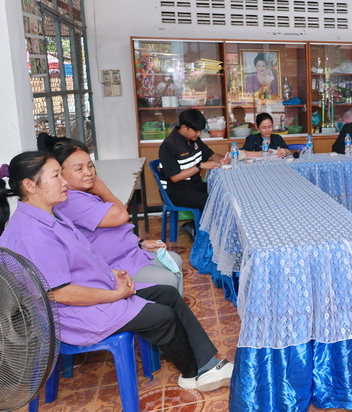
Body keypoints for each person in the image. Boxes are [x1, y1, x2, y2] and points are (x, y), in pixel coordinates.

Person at [0, 152, 233, 391]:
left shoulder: (48, 215)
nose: (63, 182)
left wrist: (112, 273)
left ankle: (206, 363)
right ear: (30, 186)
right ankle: (192, 374)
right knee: (163, 316)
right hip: (73, 313)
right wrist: (115, 295)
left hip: (92, 291)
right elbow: (59, 293)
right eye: (56, 176)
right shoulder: (33, 233)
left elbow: (82, 258)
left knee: (168, 294)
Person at [54, 143, 184, 295]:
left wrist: (140, 242)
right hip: (112, 265)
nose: (89, 173)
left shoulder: (84, 193)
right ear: (60, 174)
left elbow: (113, 232)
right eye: (79, 169)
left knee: (175, 260)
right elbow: (121, 216)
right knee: (168, 279)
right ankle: (167, 308)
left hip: (128, 254)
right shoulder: (70, 202)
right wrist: (103, 190)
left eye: (90, 166)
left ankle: (176, 308)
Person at [158, 109, 223, 212]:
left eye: (200, 131)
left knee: (223, 193)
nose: (199, 134)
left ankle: (207, 221)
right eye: (196, 131)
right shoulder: (168, 146)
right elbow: (175, 177)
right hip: (175, 190)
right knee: (213, 201)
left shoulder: (194, 139)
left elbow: (211, 155)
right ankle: (203, 222)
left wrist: (225, 159)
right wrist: (201, 166)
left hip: (195, 185)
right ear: (184, 127)